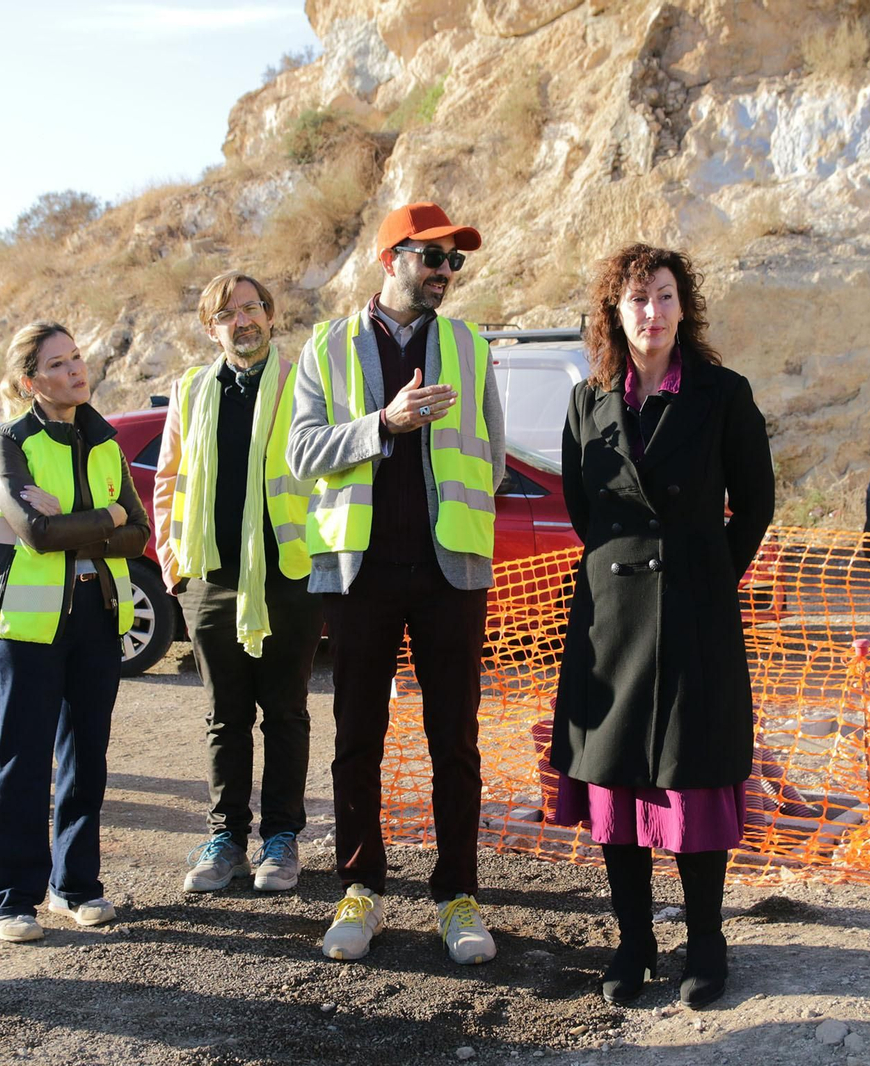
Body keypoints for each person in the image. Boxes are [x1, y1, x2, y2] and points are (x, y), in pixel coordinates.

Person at [549, 243, 774, 1008]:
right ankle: (634, 941)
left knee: (693, 777)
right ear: (616, 311)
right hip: (609, 620)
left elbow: (756, 503)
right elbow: (586, 511)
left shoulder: (724, 394)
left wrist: (709, 575)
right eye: (639, 298)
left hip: (696, 613)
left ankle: (706, 943)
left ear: (686, 307)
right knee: (615, 780)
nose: (653, 312)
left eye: (666, 297)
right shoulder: (589, 401)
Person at [287, 202, 506, 965]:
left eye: (455, 262)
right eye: (433, 258)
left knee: (457, 740)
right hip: (359, 573)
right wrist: (384, 423)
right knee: (358, 738)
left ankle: (457, 896)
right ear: (391, 260)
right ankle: (362, 888)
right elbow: (303, 453)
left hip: (451, 573)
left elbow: (494, 454)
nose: (446, 272)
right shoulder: (329, 346)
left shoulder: (472, 346)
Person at [0, 321, 150, 942]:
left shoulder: (104, 439)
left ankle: (74, 886)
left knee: (86, 757)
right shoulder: (10, 443)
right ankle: (7, 898)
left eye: (77, 357)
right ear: (31, 382)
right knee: (22, 760)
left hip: (96, 616)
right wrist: (108, 516)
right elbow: (38, 534)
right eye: (58, 363)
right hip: (28, 623)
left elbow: (140, 534)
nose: (77, 369)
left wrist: (92, 520)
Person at [152, 271, 322, 894]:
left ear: (271, 317)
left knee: (284, 712)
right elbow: (168, 479)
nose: (243, 320)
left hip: (289, 576)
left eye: (252, 308)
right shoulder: (192, 388)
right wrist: (174, 565)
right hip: (211, 578)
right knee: (224, 715)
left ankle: (281, 838)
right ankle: (225, 837)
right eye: (228, 313)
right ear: (211, 326)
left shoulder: (303, 380)